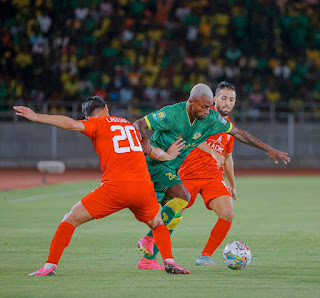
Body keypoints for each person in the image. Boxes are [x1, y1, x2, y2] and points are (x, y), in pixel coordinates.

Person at [13, 96, 190, 275]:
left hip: (117, 187)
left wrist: (37, 116)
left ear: (88, 117)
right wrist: (169, 155)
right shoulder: (129, 126)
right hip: (143, 186)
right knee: (157, 223)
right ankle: (170, 261)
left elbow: (71, 124)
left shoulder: (97, 123)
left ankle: (50, 266)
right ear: (106, 107)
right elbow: (152, 153)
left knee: (70, 218)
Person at [134, 83, 290, 270]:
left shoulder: (215, 121)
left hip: (195, 174)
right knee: (180, 200)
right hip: (168, 168)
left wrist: (268, 149)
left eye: (231, 99)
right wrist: (145, 140)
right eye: (207, 106)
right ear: (194, 101)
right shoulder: (174, 113)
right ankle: (148, 240)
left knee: (182, 216)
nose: (209, 110)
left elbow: (236, 139)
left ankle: (153, 260)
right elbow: (142, 124)